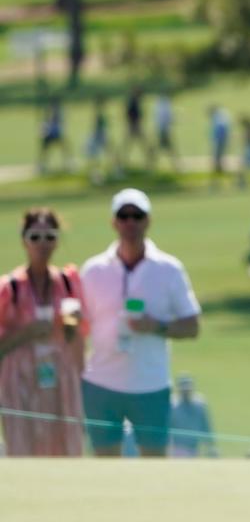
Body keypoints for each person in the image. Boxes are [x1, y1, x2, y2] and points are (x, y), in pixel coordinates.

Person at [80, 188, 202, 457]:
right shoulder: (93, 270)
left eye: (137, 215)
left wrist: (156, 326)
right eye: (124, 216)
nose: (130, 222)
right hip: (100, 383)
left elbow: (192, 326)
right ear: (114, 222)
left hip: (150, 384)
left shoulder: (169, 269)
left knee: (154, 464)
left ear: (148, 220)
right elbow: (81, 325)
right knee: (105, 465)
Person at [0, 208, 86, 456]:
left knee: (65, 448)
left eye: (49, 236)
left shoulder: (68, 282)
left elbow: (79, 336)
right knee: (24, 449)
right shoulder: (11, 288)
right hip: (20, 384)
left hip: (61, 380)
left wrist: (71, 328)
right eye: (35, 237)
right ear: (24, 241)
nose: (43, 244)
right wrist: (27, 333)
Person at [169, 373, 217, 458]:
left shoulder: (200, 404)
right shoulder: (172, 405)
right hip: (176, 449)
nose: (186, 392)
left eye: (188, 389)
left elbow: (205, 425)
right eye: (184, 390)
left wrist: (211, 446)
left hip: (194, 449)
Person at [153, 90, 179, 171]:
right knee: (169, 147)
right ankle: (176, 165)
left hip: (162, 128)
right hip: (164, 129)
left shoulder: (160, 104)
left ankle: (152, 164)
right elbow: (167, 117)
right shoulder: (164, 104)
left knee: (162, 147)